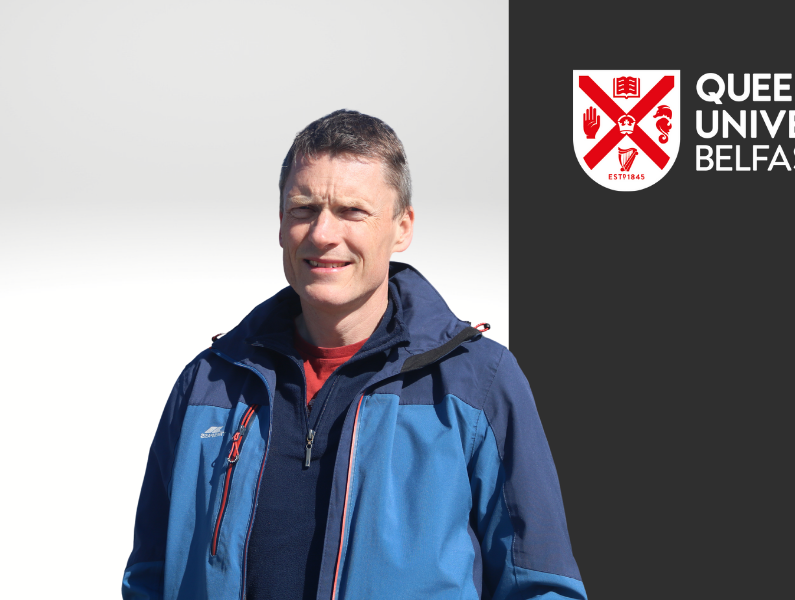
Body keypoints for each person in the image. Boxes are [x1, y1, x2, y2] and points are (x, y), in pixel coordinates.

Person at [122, 110, 587, 600]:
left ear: (402, 227)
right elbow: (149, 578)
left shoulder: (479, 382)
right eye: (303, 208)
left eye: (351, 211)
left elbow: (540, 585)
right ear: (280, 223)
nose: (323, 233)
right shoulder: (209, 384)